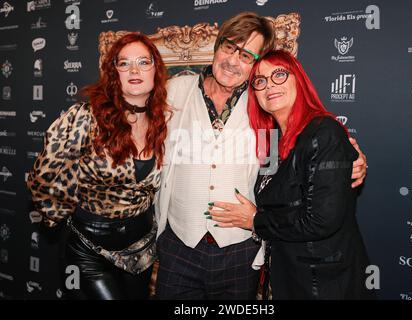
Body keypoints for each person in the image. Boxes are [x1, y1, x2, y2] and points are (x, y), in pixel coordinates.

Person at [155, 12, 367, 300]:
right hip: (179, 245)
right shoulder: (175, 90)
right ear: (217, 47)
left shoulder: (264, 102)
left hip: (240, 250)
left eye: (246, 55)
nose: (232, 60)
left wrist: (350, 157)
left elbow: (293, 150)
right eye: (229, 47)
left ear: (256, 64)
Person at [208, 50, 374, 299]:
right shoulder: (272, 142)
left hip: (325, 281)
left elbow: (321, 220)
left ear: (299, 79)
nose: (269, 85)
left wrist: (254, 221)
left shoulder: (323, 132)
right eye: (260, 81)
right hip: (286, 274)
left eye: (279, 74)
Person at [27, 32, 170, 299]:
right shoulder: (85, 117)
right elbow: (43, 180)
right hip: (89, 249)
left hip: (141, 250)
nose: (134, 70)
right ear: (114, 72)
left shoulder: (162, 123)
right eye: (124, 63)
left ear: (156, 70)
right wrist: (69, 214)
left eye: (143, 62)